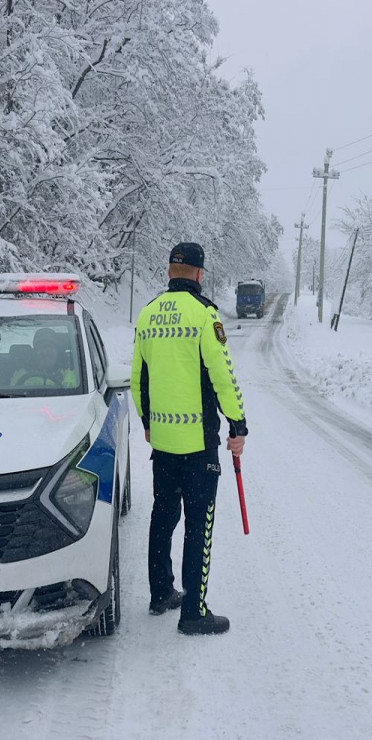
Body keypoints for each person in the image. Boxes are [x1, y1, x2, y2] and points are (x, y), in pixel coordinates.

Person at [130, 242, 247, 635]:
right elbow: (223, 375)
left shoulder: (147, 314)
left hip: (163, 443)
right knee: (199, 524)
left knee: (163, 516)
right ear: (199, 274)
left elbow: (138, 379)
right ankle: (194, 612)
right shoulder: (204, 314)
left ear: (169, 272)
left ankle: (161, 593)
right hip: (198, 446)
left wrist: (147, 422)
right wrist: (238, 424)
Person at [12, 327, 77, 388]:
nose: (45, 353)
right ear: (34, 352)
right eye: (40, 348)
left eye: (49, 348)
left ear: (57, 352)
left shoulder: (67, 375)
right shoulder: (21, 374)